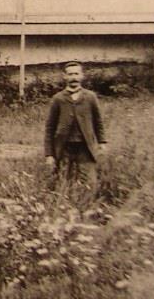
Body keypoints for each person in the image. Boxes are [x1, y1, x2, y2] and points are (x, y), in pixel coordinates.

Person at [44, 61, 106, 203]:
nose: (73, 77)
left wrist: (102, 142)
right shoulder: (58, 99)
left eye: (76, 74)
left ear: (82, 76)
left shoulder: (90, 97)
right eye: (70, 74)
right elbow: (49, 128)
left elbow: (98, 121)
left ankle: (86, 207)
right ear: (65, 77)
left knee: (89, 182)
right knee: (63, 181)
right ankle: (64, 208)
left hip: (85, 148)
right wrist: (49, 154)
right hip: (64, 148)